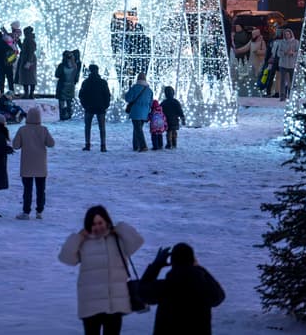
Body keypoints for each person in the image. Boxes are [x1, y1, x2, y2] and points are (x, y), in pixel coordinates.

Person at [58, 205, 145, 335]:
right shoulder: (84, 242)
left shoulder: (118, 239)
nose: (98, 227)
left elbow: (137, 242)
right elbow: (66, 258)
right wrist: (78, 237)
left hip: (115, 304)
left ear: (107, 221)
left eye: (100, 223)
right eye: (93, 224)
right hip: (91, 304)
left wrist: (120, 228)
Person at [137, 242, 225, 335]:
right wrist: (200, 269)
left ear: (172, 262)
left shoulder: (166, 287)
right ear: (193, 261)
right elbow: (219, 297)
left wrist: (156, 265)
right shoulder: (204, 289)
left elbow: (142, 292)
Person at [12, 104, 55, 219]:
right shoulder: (43, 130)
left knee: (27, 190)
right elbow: (51, 144)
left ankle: (26, 212)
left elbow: (15, 145)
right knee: (41, 189)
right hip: (41, 166)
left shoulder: (22, 130)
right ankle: (39, 211)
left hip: (27, 165)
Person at [79, 63, 111, 151]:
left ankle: (87, 144)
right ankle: (103, 145)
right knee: (102, 127)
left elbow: (81, 95)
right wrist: (105, 105)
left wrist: (84, 105)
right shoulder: (103, 82)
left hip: (89, 107)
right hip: (101, 107)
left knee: (88, 127)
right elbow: (107, 95)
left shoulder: (86, 82)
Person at [124, 73, 153, 152]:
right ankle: (135, 145)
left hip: (136, 112)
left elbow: (128, 98)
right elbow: (151, 103)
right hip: (145, 113)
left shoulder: (134, 88)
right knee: (137, 129)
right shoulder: (149, 90)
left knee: (138, 129)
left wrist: (129, 90)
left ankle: (143, 146)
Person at [55, 50, 81, 121]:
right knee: (69, 102)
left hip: (62, 85)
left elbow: (57, 75)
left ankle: (62, 116)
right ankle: (69, 115)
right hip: (71, 86)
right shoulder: (75, 66)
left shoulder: (61, 66)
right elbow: (76, 77)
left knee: (61, 102)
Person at [275, 28, 299, 101]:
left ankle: (292, 95)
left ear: (291, 34)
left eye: (288, 34)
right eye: (285, 34)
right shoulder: (281, 42)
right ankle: (282, 95)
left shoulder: (296, 42)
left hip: (292, 64)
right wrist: (285, 53)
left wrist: (293, 53)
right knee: (282, 80)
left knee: (292, 81)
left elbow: (299, 52)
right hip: (283, 64)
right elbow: (278, 53)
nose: (287, 36)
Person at [0, 29, 15, 95]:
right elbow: (12, 51)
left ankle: (1, 93)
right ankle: (11, 92)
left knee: (1, 79)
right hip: (8, 65)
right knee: (10, 79)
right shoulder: (4, 44)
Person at [17, 25, 38, 99]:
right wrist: (19, 42)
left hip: (29, 60)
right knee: (27, 78)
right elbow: (24, 48)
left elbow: (31, 51)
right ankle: (28, 93)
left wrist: (29, 62)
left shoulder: (30, 40)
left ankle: (30, 94)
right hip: (27, 60)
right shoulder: (28, 39)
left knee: (30, 78)